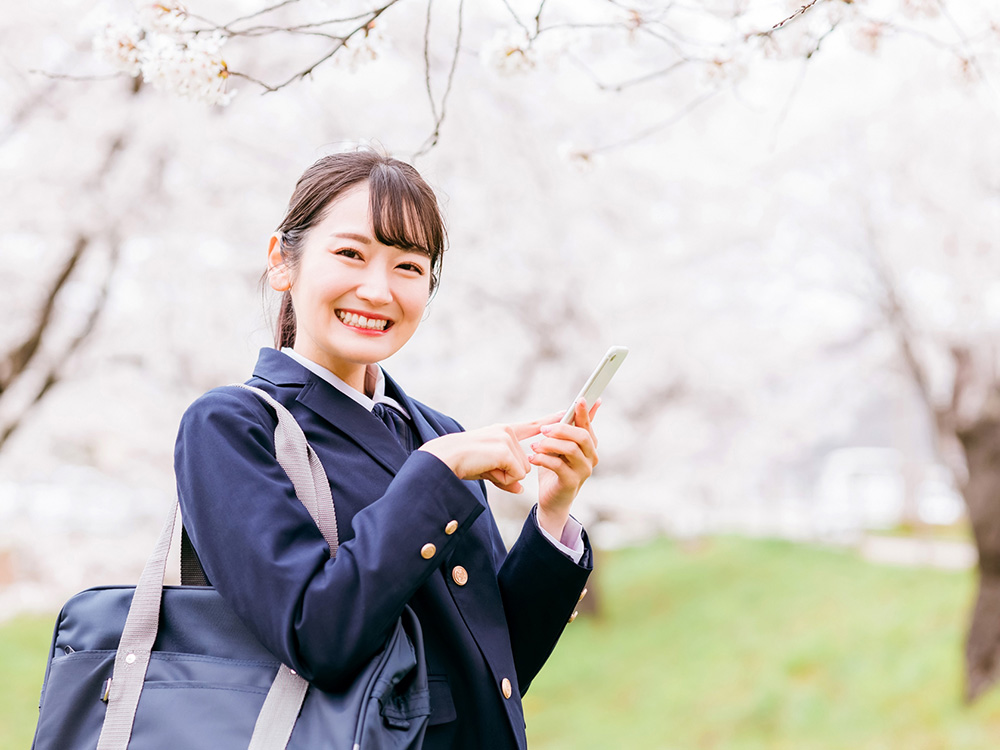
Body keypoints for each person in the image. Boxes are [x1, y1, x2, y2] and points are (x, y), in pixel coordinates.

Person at [174, 149, 599, 749]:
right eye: (350, 254)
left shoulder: (434, 430)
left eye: (408, 266)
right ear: (282, 262)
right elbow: (315, 634)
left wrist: (553, 514)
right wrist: (437, 473)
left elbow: (492, 672)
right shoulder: (229, 426)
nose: (377, 290)